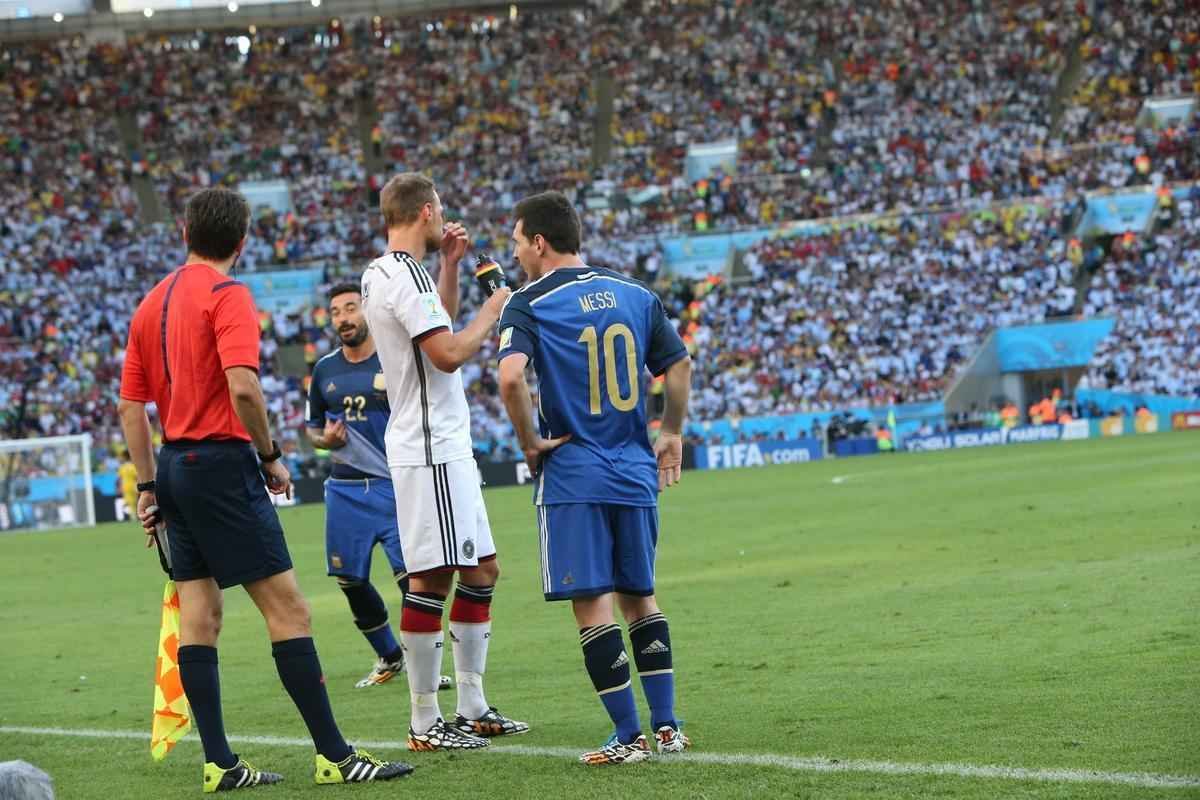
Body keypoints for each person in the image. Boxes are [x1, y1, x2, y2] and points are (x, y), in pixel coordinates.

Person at [118, 188, 412, 792]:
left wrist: (149, 485)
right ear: (243, 242)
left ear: (185, 235)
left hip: (173, 462)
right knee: (289, 609)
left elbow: (129, 407)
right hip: (221, 465)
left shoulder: (150, 303)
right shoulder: (228, 295)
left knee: (201, 618)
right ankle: (334, 756)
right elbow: (244, 388)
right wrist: (271, 457)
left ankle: (219, 763)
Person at [495, 191, 694, 766]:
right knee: (642, 598)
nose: (515, 254)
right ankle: (667, 728)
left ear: (538, 241)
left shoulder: (529, 301)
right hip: (634, 468)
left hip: (574, 474)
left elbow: (511, 380)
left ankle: (627, 735)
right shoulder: (635, 293)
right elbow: (678, 364)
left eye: (516, 242)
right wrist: (671, 431)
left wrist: (530, 441)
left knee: (593, 605)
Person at [360, 173, 528, 751]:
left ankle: (473, 704)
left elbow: (435, 332)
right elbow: (450, 352)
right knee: (431, 577)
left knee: (482, 571)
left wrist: (453, 268)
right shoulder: (403, 275)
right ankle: (425, 722)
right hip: (429, 448)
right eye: (441, 213)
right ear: (427, 212)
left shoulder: (388, 273)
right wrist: (497, 308)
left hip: (442, 445)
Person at [306, 282, 451, 691]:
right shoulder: (325, 370)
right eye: (335, 312)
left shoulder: (394, 360)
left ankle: (423, 663)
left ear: (367, 312)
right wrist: (325, 443)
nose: (343, 318)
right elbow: (313, 430)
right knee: (350, 579)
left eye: (351, 308)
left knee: (412, 577)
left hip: (395, 486)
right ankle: (389, 656)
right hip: (345, 490)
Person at [117, 449, 138, 522]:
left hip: (125, 486)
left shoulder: (122, 467)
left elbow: (120, 478)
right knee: (133, 502)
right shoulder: (133, 466)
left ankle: (132, 516)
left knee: (130, 502)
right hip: (133, 486)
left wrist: (119, 487)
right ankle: (133, 517)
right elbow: (136, 477)